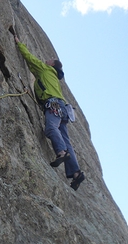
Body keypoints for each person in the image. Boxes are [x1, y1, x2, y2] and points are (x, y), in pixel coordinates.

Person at [14, 35, 85, 190]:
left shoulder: (46, 69)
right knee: (66, 140)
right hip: (62, 108)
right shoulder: (53, 78)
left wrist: (20, 44)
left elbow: (30, 59)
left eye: (49, 59)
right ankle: (76, 173)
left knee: (51, 128)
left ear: (52, 65)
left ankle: (61, 152)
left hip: (53, 105)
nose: (46, 60)